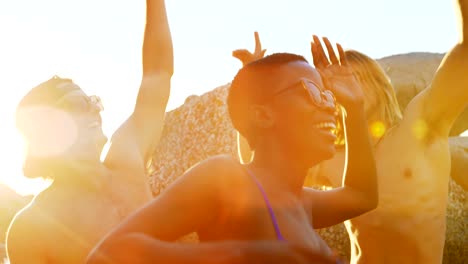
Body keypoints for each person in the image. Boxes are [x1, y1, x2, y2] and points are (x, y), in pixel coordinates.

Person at [86, 37, 378, 264]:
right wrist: (243, 254)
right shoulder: (227, 179)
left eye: (328, 95)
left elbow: (362, 196)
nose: (328, 105)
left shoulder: (302, 203)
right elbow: (108, 254)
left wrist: (353, 106)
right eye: (312, 92)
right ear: (263, 115)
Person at [239, 1, 468, 262]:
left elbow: (465, 53)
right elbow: (259, 170)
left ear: (378, 82)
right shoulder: (333, 158)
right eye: (331, 84)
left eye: (351, 77)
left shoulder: (422, 128)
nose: (340, 88)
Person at [6, 0, 173, 263]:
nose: (95, 110)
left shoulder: (126, 156)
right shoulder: (31, 226)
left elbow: (158, 73)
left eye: (94, 102)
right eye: (78, 104)